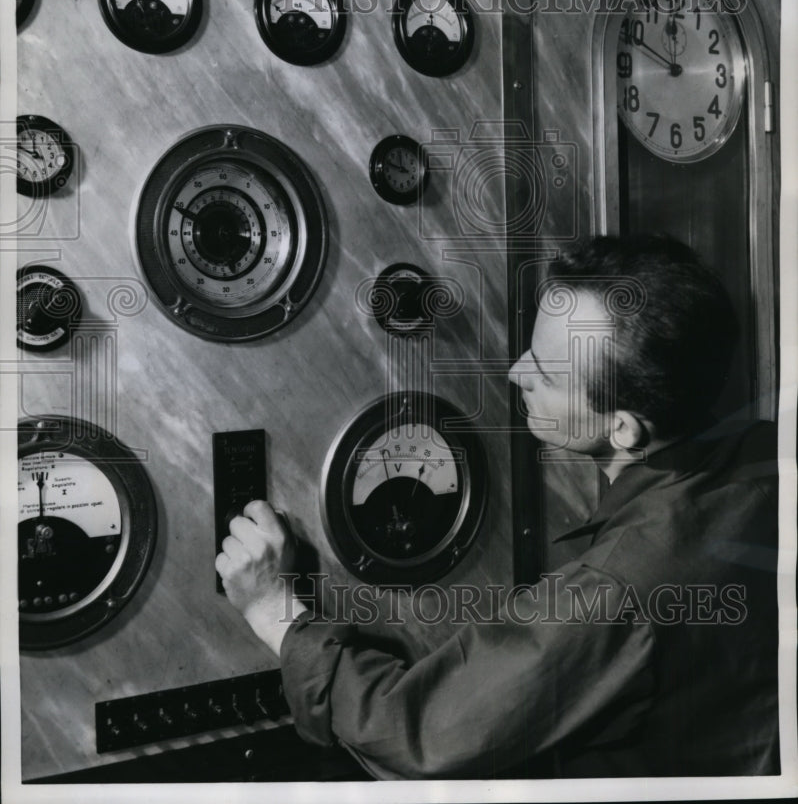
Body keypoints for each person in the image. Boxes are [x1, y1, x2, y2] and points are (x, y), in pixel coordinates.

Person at [216, 234, 779, 779]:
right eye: (531, 349)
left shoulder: (620, 588)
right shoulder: (767, 455)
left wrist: (273, 609)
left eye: (546, 373)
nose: (516, 374)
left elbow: (420, 737)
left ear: (624, 428)